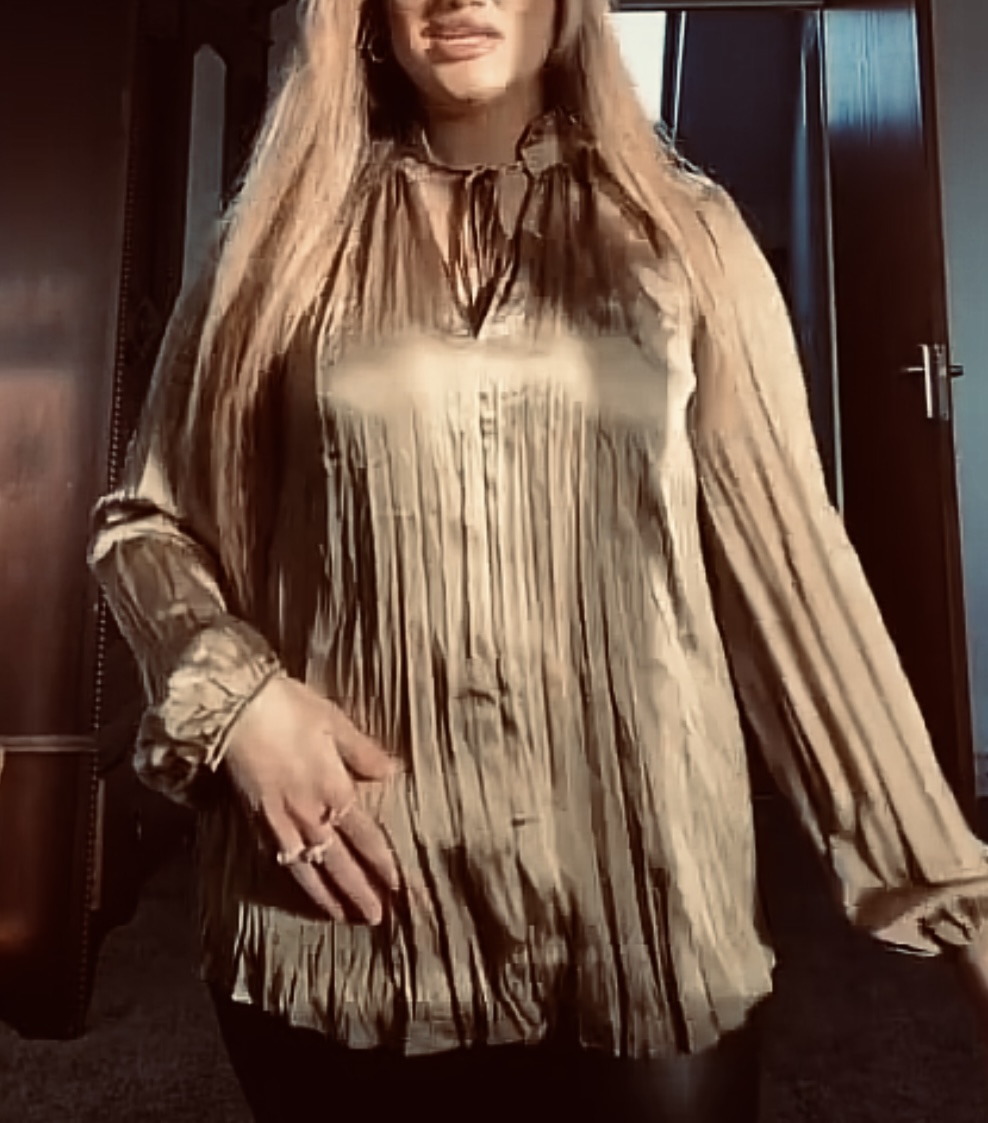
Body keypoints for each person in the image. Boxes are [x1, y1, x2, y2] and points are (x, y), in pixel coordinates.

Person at [88, 0, 988, 1120]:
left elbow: (798, 592)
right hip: (347, 913)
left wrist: (960, 901)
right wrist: (242, 702)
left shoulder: (688, 236)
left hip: (640, 909)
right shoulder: (278, 240)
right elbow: (147, 523)